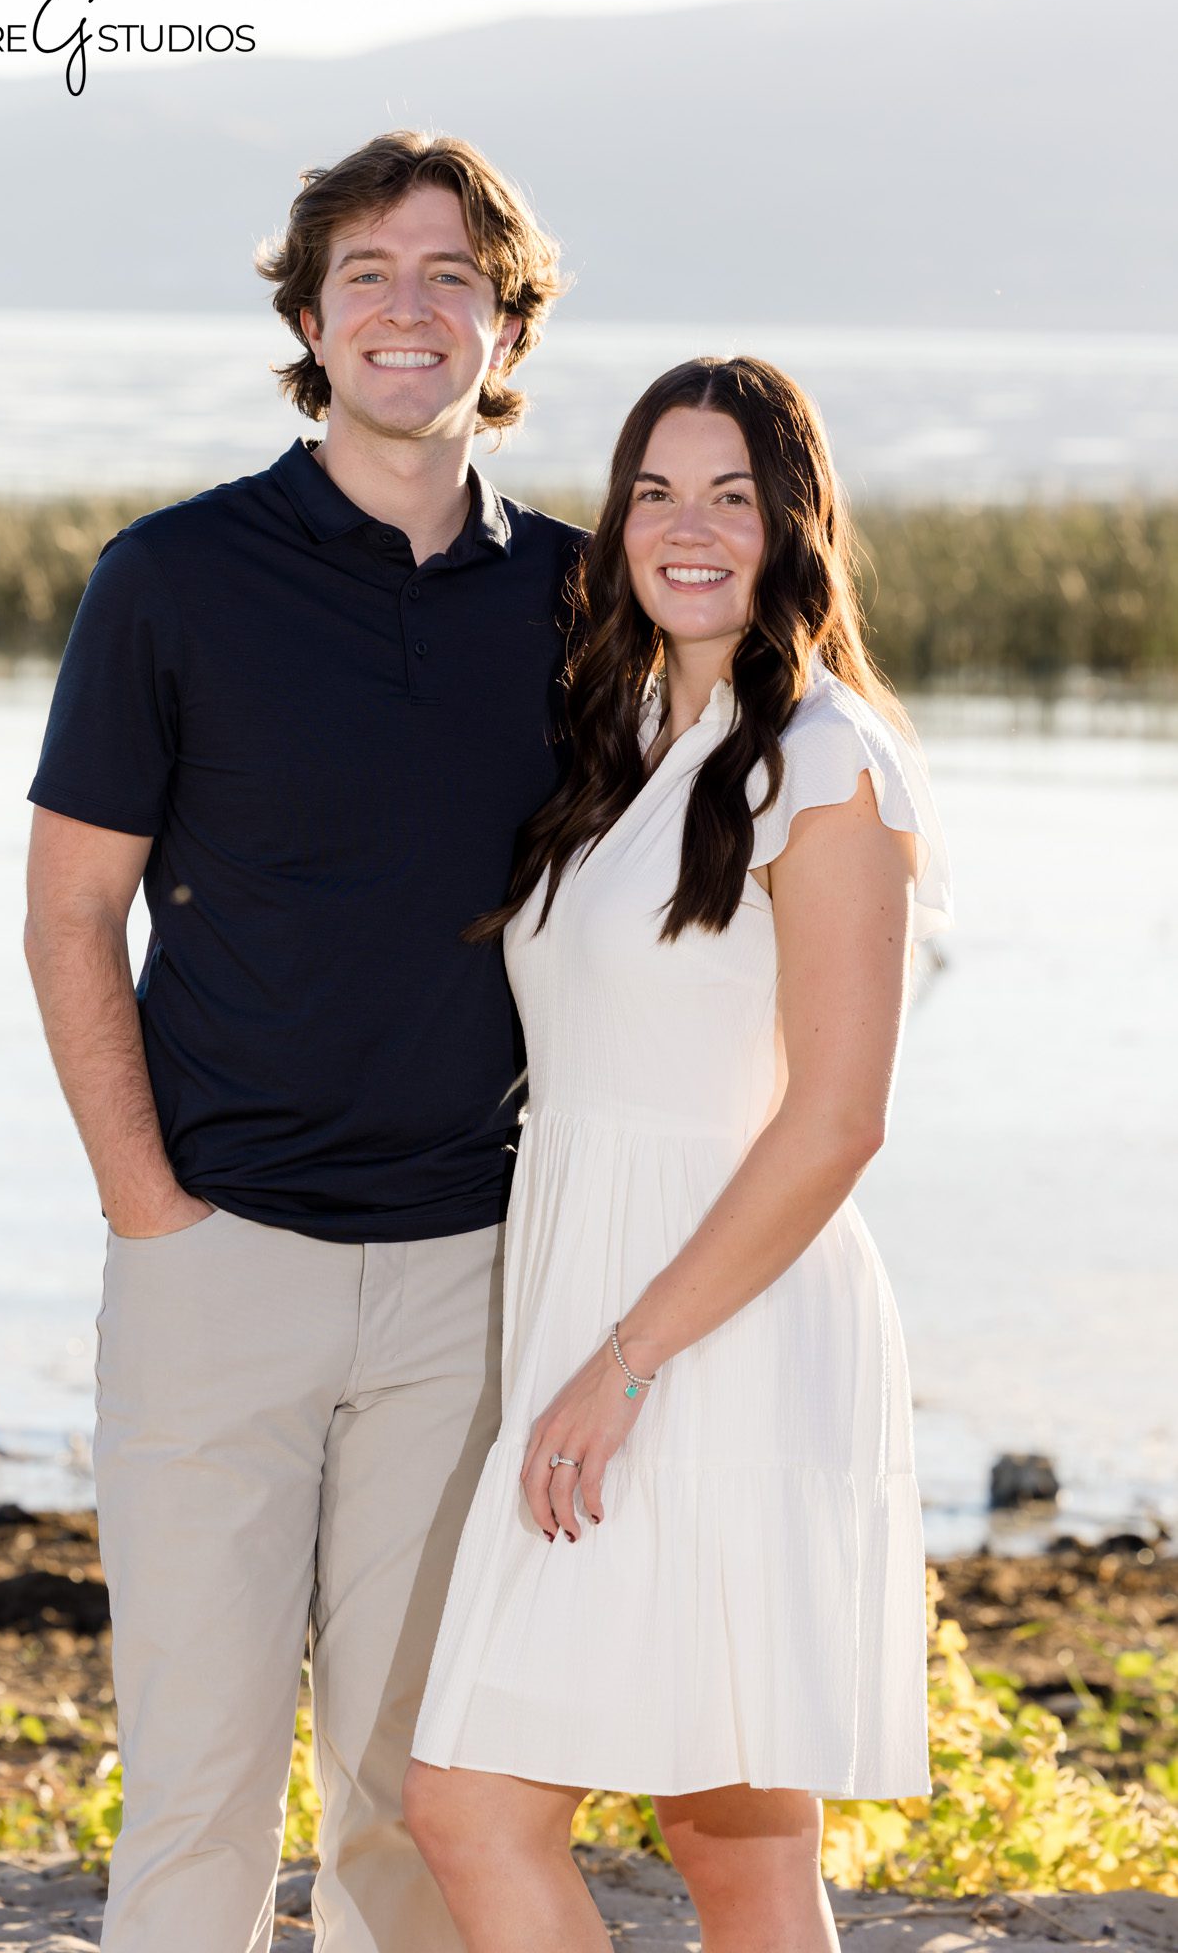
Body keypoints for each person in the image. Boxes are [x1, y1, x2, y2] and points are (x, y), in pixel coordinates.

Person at [23, 129, 582, 1953]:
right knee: (191, 1786)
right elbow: (67, 909)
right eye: (368, 275)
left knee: (407, 1803)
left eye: (451, 279)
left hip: (467, 1275)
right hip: (217, 1257)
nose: (409, 311)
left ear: (505, 325)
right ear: (309, 316)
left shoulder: (581, 606)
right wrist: (143, 1208)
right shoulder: (173, 577)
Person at [404, 356, 952, 1953]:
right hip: (599, 1302)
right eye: (654, 491)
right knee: (735, 1847)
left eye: (732, 493)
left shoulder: (826, 762)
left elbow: (839, 1117)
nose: (687, 527)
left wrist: (621, 1361)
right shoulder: (625, 735)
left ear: (795, 523)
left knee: (484, 1805)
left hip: (717, 1331)